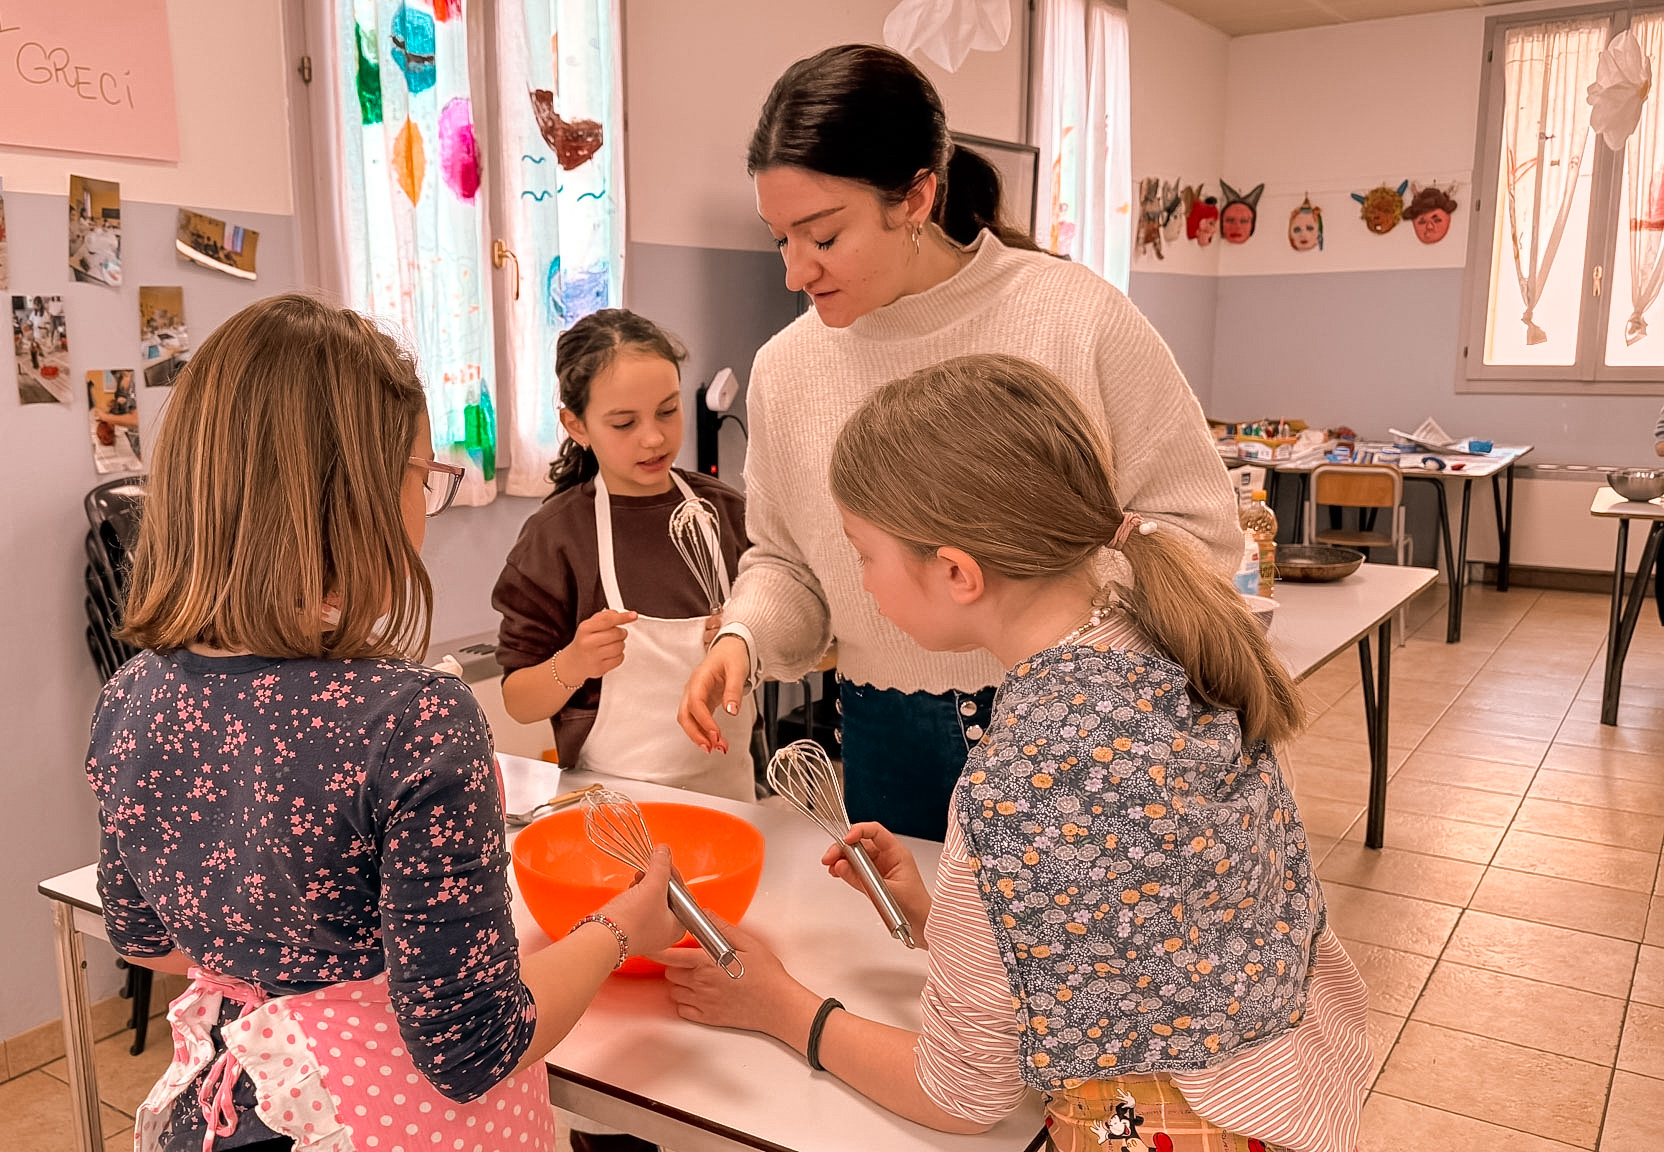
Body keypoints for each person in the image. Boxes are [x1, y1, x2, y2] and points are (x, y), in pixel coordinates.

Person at [661, 354, 1369, 1152]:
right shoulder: (1172, 651)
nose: (860, 581)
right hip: (1299, 1100)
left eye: (863, 554)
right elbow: (1146, 935)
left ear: (957, 572)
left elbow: (962, 1093)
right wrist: (952, 920)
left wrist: (781, 1006)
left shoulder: (1017, 781)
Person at [90, 294, 686, 1152]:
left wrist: (284, 976)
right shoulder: (413, 720)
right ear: (358, 496)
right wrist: (626, 923)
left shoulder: (133, 695)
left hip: (240, 1112)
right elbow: (475, 1044)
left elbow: (144, 938)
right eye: (424, 476)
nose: (424, 501)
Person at [678, 44, 1242, 841]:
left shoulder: (1071, 317)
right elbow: (788, 564)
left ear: (915, 197)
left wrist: (1050, 630)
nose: (795, 274)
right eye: (780, 240)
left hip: (1087, 720)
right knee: (904, 958)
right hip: (886, 731)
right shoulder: (788, 368)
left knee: (1074, 964)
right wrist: (747, 634)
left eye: (825, 237)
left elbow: (1198, 537)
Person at [494, 309, 756, 799]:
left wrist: (747, 638)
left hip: (731, 798)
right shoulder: (556, 539)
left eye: (667, 410)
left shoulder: (726, 512)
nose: (653, 437)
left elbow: (785, 643)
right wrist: (572, 663)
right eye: (623, 423)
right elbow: (517, 701)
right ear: (577, 425)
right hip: (612, 811)